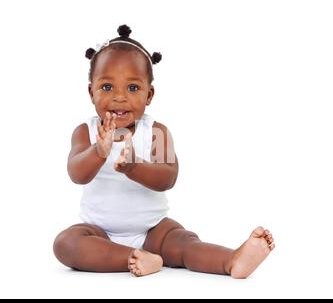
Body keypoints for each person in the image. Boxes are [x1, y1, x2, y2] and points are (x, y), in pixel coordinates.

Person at [53, 25, 275, 278]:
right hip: (99, 233)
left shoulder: (156, 131)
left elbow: (168, 177)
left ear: (150, 94)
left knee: (184, 244)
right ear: (91, 91)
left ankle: (232, 260)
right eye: (106, 87)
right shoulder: (86, 131)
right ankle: (135, 259)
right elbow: (76, 173)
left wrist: (133, 167)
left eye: (133, 88)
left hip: (153, 231)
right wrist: (98, 151)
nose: (119, 97)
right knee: (66, 244)